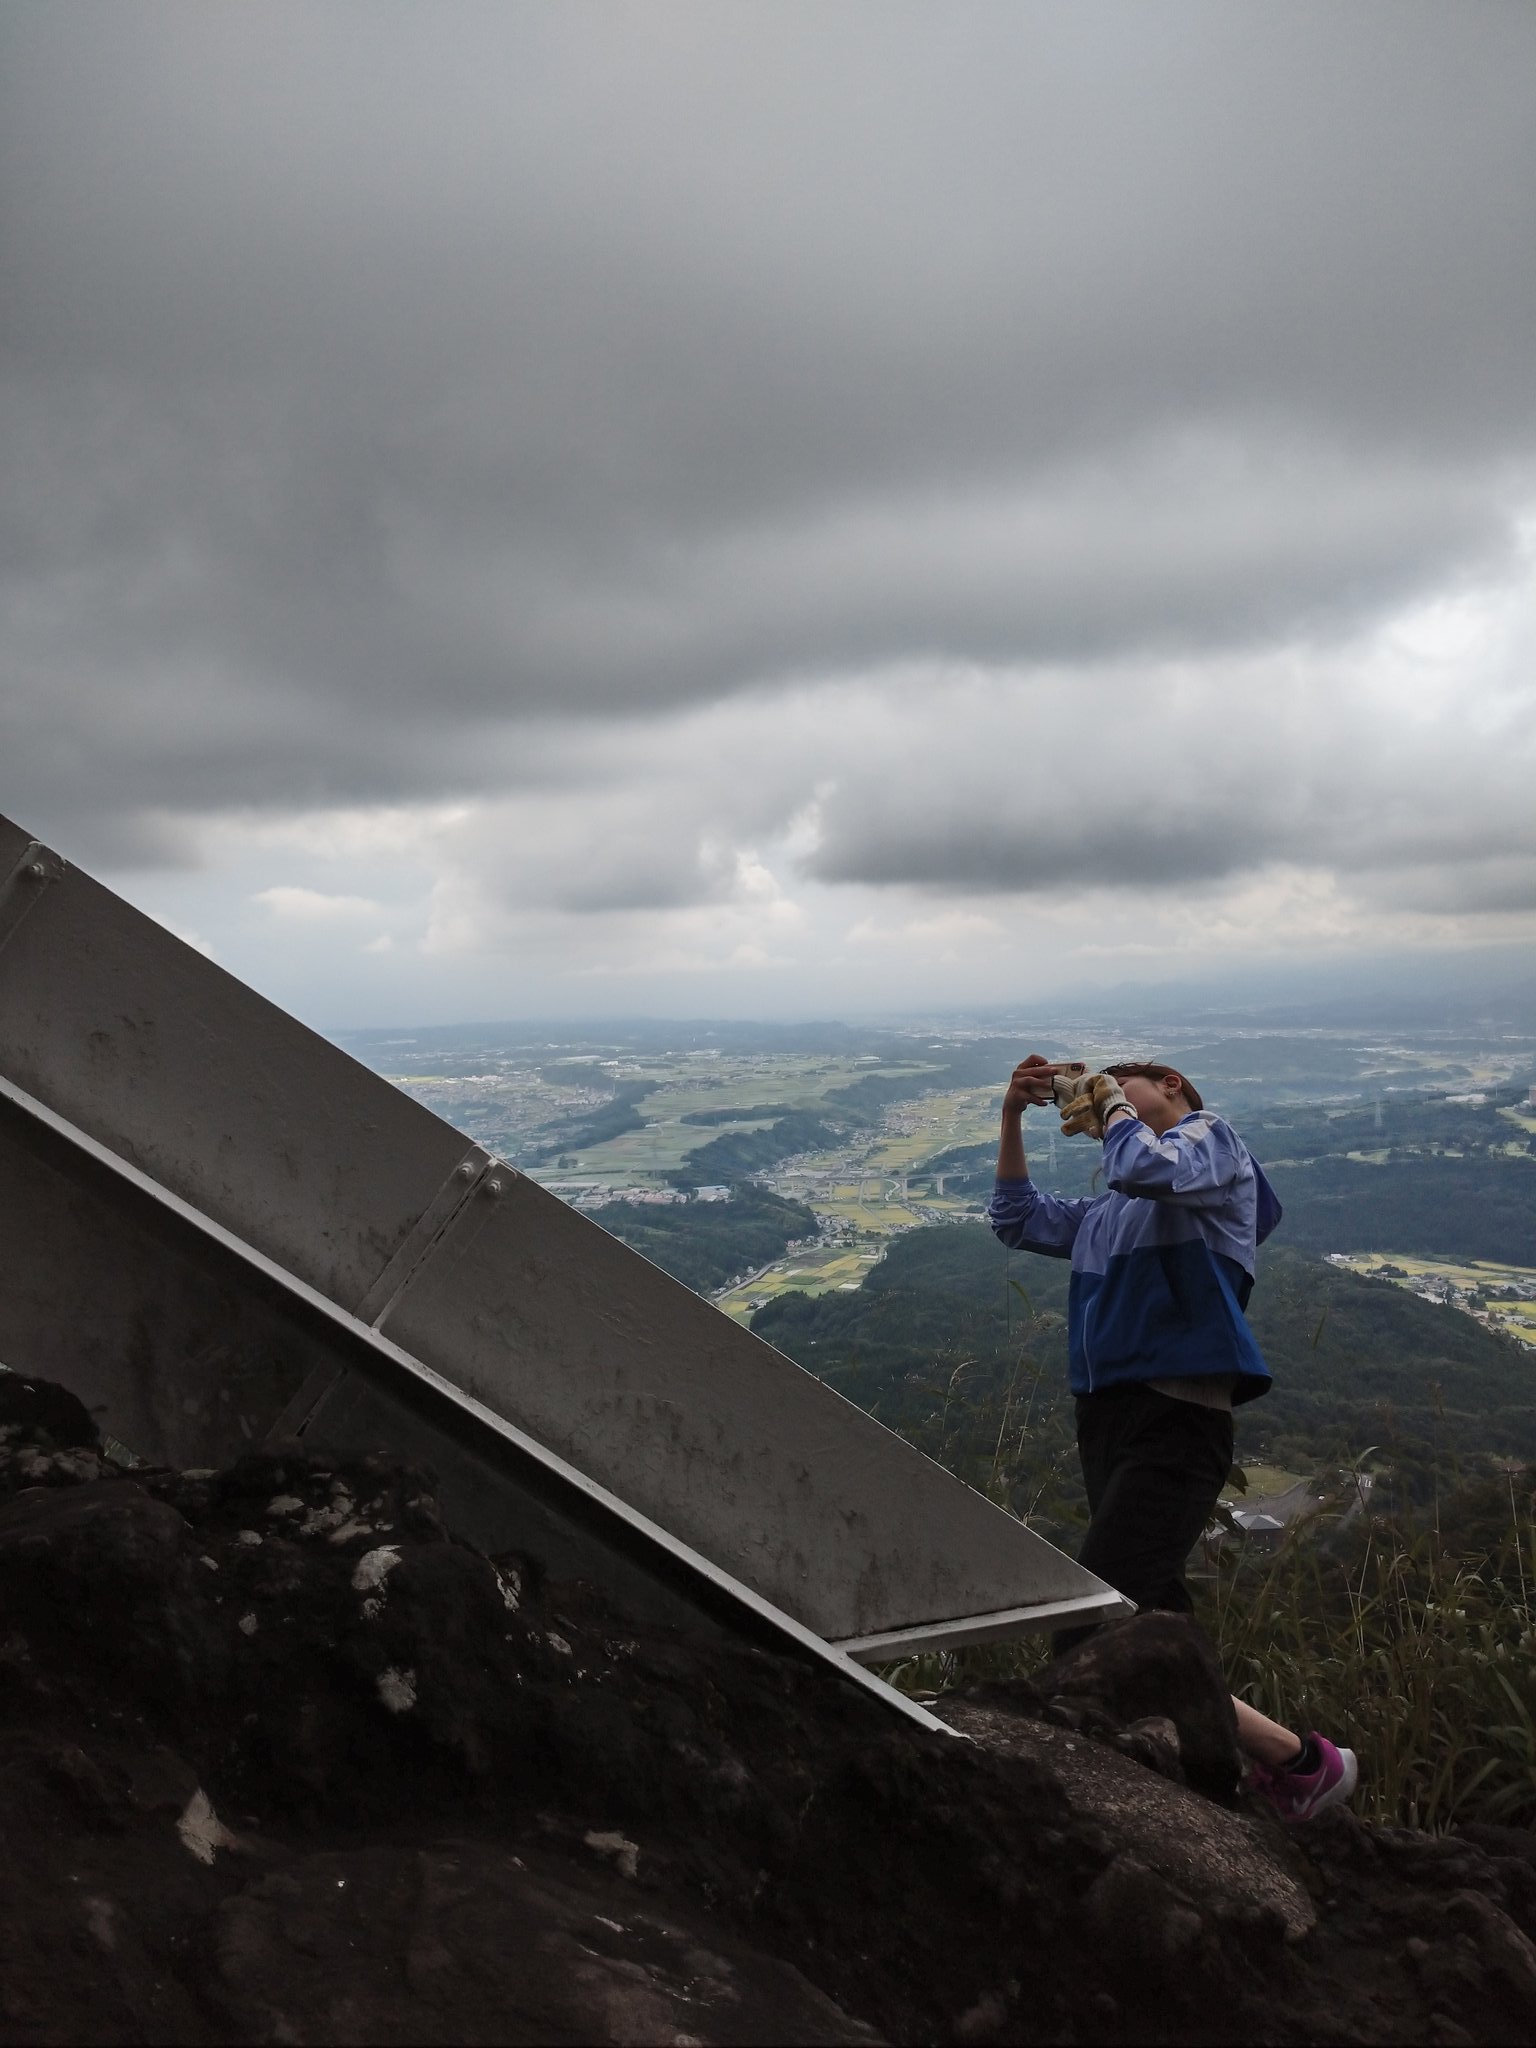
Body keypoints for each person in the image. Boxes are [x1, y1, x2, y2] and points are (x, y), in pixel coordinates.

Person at [990, 1053, 1357, 1824]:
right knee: (1151, 1625)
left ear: (1175, 1088)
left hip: (1178, 1417)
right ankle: (1293, 1767)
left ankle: (1099, 1798)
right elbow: (1016, 1219)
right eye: (1100, 1093)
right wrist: (1013, 1117)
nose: (1104, 1101)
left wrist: (1113, 1111)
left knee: (1087, 1617)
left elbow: (1156, 1172)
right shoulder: (1107, 1212)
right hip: (1108, 1416)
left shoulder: (1212, 1148)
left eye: (1125, 1086)